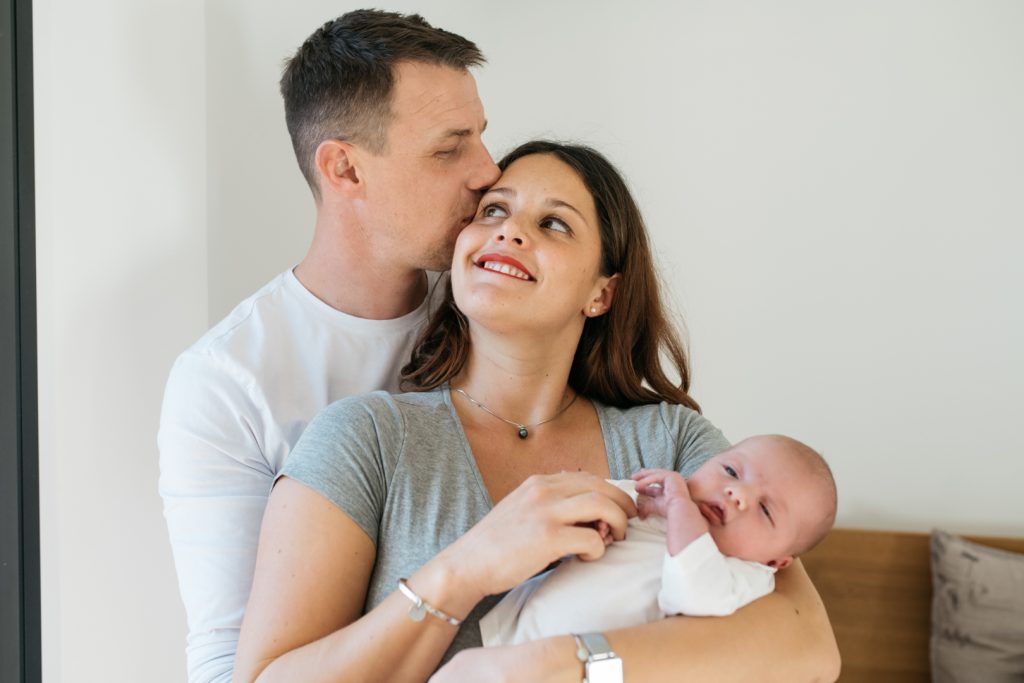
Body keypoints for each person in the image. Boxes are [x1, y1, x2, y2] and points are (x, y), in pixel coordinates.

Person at [233, 141, 840, 682]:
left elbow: (809, 649)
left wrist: (562, 663)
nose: (510, 231)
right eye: (493, 210)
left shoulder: (675, 444)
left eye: (553, 223)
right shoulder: (364, 438)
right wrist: (465, 569)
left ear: (601, 292)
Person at [157, 11, 500, 683]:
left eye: (482, 138)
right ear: (344, 168)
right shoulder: (228, 380)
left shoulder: (502, 308)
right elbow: (232, 668)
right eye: (449, 147)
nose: (488, 172)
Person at [479, 435, 838, 646]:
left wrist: (681, 505)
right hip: (512, 634)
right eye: (730, 471)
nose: (736, 493)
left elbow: (694, 594)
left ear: (777, 561)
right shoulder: (654, 498)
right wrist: (593, 520)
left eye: (765, 510)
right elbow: (581, 504)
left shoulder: (744, 575)